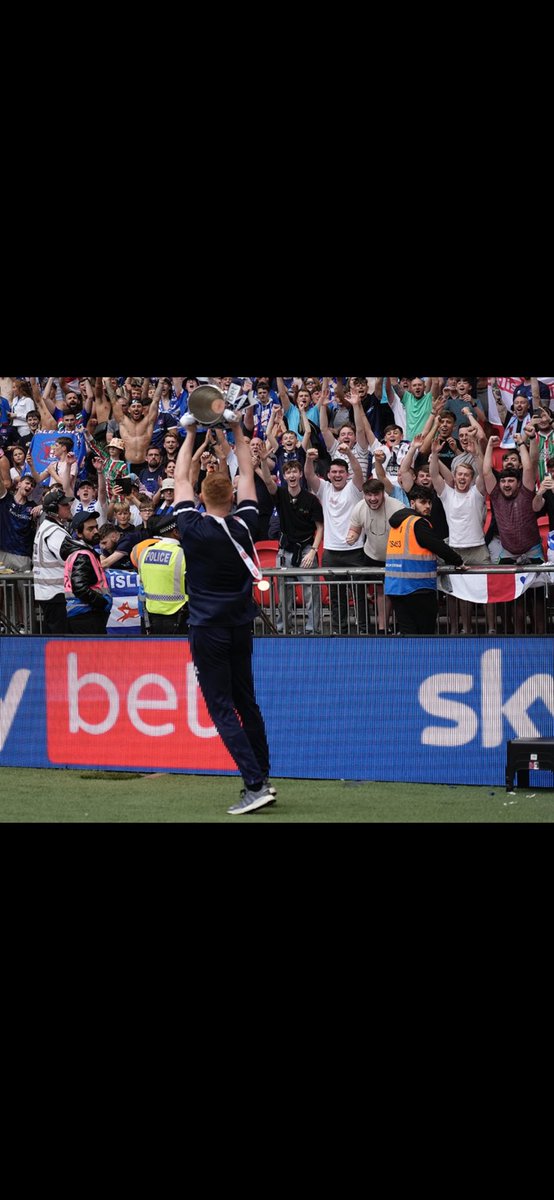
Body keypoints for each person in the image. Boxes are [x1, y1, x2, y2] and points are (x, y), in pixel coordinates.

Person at [173, 416, 275, 816]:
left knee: (220, 707)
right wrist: (235, 431)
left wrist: (191, 432)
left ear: (201, 495)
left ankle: (254, 783)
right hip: (239, 626)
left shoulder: (191, 526)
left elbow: (181, 475)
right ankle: (263, 776)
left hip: (207, 629)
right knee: (245, 702)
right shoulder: (246, 521)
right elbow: (248, 470)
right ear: (231, 495)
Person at [385, 487, 466, 635]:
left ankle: (410, 659)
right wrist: (458, 561)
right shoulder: (418, 523)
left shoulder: (398, 523)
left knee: (408, 633)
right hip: (417, 588)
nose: (428, 506)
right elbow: (437, 545)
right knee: (425, 635)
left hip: (396, 588)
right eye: (423, 502)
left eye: (429, 502)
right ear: (412, 503)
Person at [136, 512, 189, 635]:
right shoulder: (183, 554)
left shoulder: (145, 552)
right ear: (175, 532)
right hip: (179, 617)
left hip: (150, 618)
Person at [61, 511, 113, 635]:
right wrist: (102, 602)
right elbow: (79, 587)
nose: (96, 531)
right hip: (86, 616)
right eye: (90, 529)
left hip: (84, 615)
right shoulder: (82, 555)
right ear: (79, 533)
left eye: (96, 527)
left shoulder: (83, 552)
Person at [32, 489, 75, 634]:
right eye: (65, 505)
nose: (69, 506)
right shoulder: (54, 532)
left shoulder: (46, 527)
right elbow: (71, 559)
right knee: (60, 639)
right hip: (55, 594)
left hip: (48, 593)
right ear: (54, 509)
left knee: (51, 636)